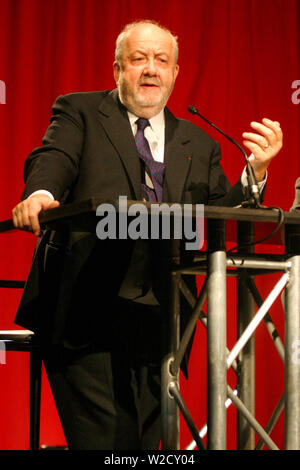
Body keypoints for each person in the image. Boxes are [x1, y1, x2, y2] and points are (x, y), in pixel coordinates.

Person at [12, 20, 283, 450]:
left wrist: (256, 172)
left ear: (176, 72)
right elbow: (53, 157)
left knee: (149, 447)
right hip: (84, 309)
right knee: (107, 445)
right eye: (138, 59)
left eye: (161, 60)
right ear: (117, 68)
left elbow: (223, 217)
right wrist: (41, 193)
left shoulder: (197, 140)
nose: (150, 69)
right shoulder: (80, 111)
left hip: (163, 319)